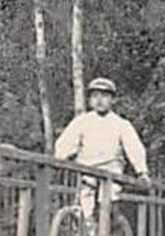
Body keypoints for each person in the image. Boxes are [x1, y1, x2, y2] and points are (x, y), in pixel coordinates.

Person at [53, 77, 150, 227]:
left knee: (109, 206)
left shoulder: (121, 124)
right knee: (84, 211)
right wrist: (60, 158)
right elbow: (66, 142)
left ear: (112, 100)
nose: (99, 100)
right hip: (87, 170)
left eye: (104, 96)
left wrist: (142, 172)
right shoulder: (82, 121)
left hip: (111, 171)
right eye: (95, 96)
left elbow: (134, 148)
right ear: (90, 100)